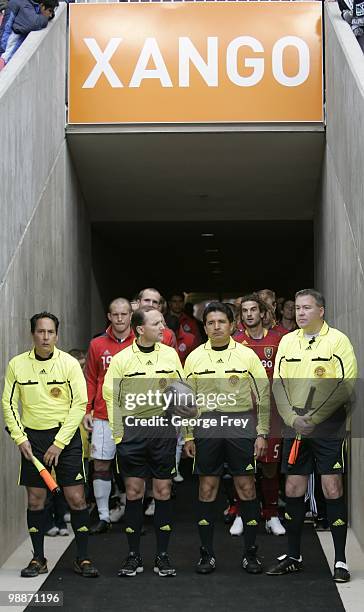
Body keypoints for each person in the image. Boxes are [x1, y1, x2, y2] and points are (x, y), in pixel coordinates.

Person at [266, 289, 357, 583]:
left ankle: (340, 560)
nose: (300, 313)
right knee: (293, 488)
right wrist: (292, 418)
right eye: (298, 308)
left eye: (307, 308)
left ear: (321, 311)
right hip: (296, 427)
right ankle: (294, 556)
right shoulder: (287, 341)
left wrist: (314, 419)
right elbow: (278, 383)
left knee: (332, 488)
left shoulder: (338, 341)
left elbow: (346, 386)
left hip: (328, 428)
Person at [2, 312, 99, 578]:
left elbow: (80, 404)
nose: (45, 337)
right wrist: (20, 438)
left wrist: (58, 443)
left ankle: (83, 558)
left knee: (76, 498)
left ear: (57, 335)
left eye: (50, 332)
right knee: (36, 500)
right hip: (32, 439)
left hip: (65, 439)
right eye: (40, 332)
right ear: (32, 334)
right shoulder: (17, 365)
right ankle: (38, 559)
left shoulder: (68, 364)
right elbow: (8, 403)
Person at [184, 302, 270, 574]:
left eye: (222, 322)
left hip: (240, 426)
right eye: (211, 323)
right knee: (206, 489)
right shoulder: (195, 357)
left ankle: (251, 554)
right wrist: (188, 436)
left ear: (233, 325)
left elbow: (264, 396)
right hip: (207, 427)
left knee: (246, 488)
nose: (216, 326)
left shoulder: (246, 356)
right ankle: (206, 554)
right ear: (205, 326)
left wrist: (262, 433)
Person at [103, 308, 184, 578]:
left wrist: (179, 428)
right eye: (157, 323)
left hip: (162, 431)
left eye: (162, 322)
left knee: (162, 491)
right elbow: (110, 397)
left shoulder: (171, 354)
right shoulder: (122, 359)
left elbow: (181, 392)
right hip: (133, 433)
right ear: (140, 329)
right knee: (134, 493)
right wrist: (119, 435)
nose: (163, 327)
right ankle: (133, 555)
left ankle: (162, 556)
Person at [235, 295, 285, 536]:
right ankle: (242, 514)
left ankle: (271, 514)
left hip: (272, 413)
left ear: (262, 313)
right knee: (242, 466)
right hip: (243, 413)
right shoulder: (235, 342)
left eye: (254, 309)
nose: (250, 314)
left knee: (269, 467)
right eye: (245, 311)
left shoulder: (278, 340)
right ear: (241, 315)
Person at [82, 298, 133, 534]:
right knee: (101, 465)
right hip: (103, 414)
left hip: (135, 415)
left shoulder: (142, 342)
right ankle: (103, 516)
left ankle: (135, 517)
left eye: (125, 314)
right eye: (116, 314)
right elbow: (91, 378)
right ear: (109, 317)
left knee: (135, 466)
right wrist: (86, 410)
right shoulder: (97, 344)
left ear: (131, 316)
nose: (120, 318)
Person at [0, 0, 57, 70]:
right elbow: (34, 23)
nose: (50, 15)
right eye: (50, 11)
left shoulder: (29, 6)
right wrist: (45, 19)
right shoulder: (25, 6)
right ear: (42, 6)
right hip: (6, 54)